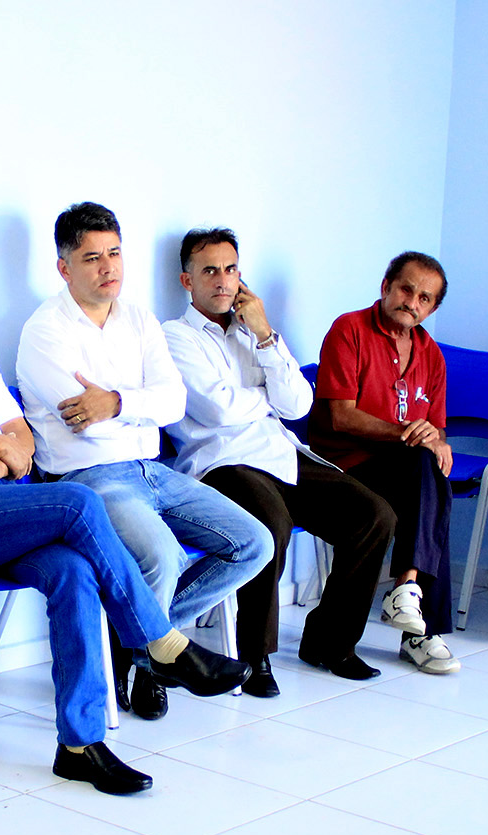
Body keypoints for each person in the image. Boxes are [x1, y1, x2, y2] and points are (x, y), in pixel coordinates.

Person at [0, 243, 250, 794]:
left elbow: (23, 440)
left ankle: (80, 744)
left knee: (73, 571)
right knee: (79, 501)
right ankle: (158, 642)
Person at [14, 202, 269, 719]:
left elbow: (172, 404)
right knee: (159, 555)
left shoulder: (138, 318)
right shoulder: (45, 331)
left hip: (153, 470)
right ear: (64, 268)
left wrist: (117, 401)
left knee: (253, 543)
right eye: (91, 258)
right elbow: (80, 422)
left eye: (114, 253)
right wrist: (131, 404)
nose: (108, 267)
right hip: (86, 479)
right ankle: (156, 653)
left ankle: (141, 646)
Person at [162, 228, 395, 693]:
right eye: (209, 270)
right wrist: (264, 397)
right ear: (187, 280)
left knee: (375, 515)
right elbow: (216, 411)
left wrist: (266, 336)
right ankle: (256, 657)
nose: (222, 281)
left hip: (280, 452)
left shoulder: (255, 332)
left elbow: (297, 404)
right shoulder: (174, 336)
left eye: (230, 269)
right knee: (270, 522)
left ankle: (331, 642)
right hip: (222, 462)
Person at [312, 250, 463, 674]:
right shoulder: (350, 329)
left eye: (425, 298)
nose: (413, 303)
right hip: (343, 463)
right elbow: (340, 415)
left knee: (432, 468)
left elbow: (434, 427)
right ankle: (420, 631)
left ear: (432, 307)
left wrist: (438, 441)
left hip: (401, 467)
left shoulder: (431, 355)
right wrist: (407, 434)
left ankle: (408, 593)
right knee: (427, 478)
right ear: (386, 287)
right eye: (406, 290)